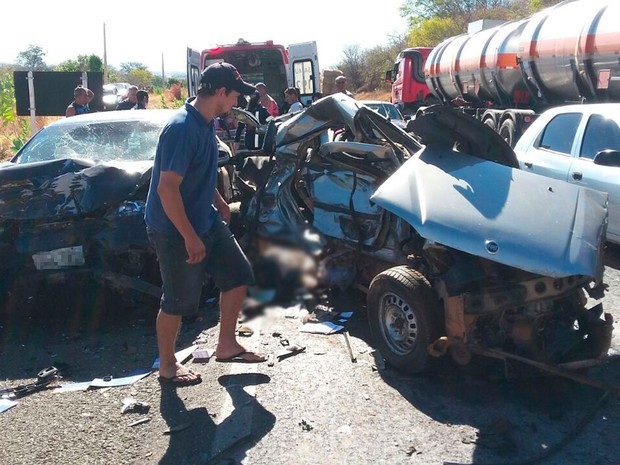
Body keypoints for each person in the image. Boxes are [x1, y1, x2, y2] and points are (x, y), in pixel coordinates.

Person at [145, 62, 265, 387]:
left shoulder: (206, 122)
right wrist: (189, 236)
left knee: (238, 274)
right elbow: (167, 189)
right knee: (178, 301)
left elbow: (198, 173)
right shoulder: (182, 128)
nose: (237, 103)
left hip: (205, 218)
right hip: (174, 227)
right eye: (236, 96)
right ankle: (167, 366)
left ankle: (226, 345)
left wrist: (219, 202)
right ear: (221, 92)